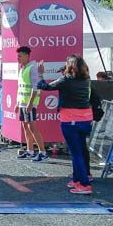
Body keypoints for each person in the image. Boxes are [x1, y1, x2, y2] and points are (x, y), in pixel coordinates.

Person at [37, 55, 94, 195]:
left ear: (70, 66)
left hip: (70, 120)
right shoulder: (86, 80)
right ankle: (77, 179)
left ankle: (84, 184)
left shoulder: (66, 80)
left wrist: (40, 74)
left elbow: (45, 86)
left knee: (76, 153)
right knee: (80, 149)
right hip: (86, 120)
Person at [16, 46, 46, 161]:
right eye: (17, 56)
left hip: (30, 104)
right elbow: (21, 88)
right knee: (25, 127)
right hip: (23, 103)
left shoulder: (32, 67)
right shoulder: (23, 68)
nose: (18, 58)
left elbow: (35, 88)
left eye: (20, 56)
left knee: (32, 127)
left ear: (27, 56)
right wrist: (17, 103)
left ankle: (43, 152)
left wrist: (30, 103)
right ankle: (30, 151)